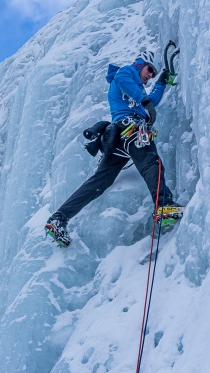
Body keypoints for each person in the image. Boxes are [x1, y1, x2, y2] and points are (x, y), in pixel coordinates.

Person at [45, 50, 185, 247]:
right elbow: (123, 81)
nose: (150, 75)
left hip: (117, 140)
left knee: (99, 182)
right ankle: (163, 205)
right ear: (139, 64)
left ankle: (59, 219)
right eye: (150, 70)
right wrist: (144, 101)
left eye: (153, 73)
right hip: (128, 129)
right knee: (150, 161)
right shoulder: (126, 73)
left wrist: (160, 82)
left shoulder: (135, 92)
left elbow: (151, 101)